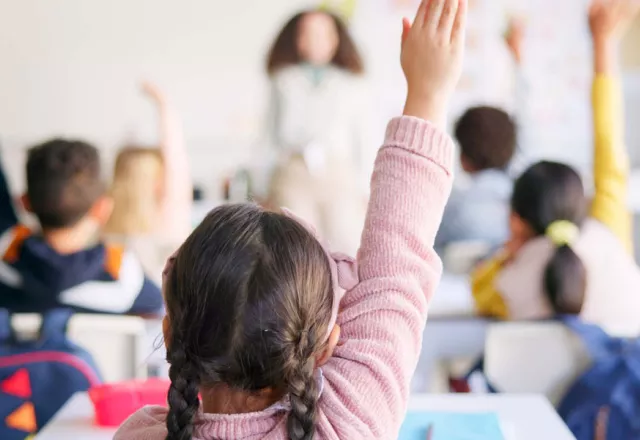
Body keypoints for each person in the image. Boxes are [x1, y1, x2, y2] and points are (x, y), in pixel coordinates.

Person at [114, 0, 465, 439]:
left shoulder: (137, 435)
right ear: (324, 345)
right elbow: (393, 277)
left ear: (171, 335)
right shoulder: (354, 422)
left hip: (334, 177)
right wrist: (427, 94)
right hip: (294, 174)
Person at [471, 0, 640, 337]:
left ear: (517, 222)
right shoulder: (608, 230)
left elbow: (478, 289)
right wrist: (603, 44)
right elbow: (609, 141)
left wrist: (510, 251)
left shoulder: (507, 285)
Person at [0, 139, 163, 315]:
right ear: (103, 208)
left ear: (24, 203)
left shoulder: (6, 270)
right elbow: (160, 309)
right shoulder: (126, 283)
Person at [261, 9, 372, 254]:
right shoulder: (282, 80)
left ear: (336, 40)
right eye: (306, 34)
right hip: (293, 173)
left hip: (338, 175)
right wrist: (260, 187)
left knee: (345, 243)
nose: (314, 40)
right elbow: (267, 136)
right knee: (294, 247)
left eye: (322, 34)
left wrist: (365, 189)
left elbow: (363, 139)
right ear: (296, 40)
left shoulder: (352, 84)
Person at [435, 19, 529, 255]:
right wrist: (518, 58)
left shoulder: (448, 210)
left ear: (464, 158)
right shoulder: (524, 208)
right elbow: (526, 116)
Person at [105, 82, 192, 285]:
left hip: (118, 313)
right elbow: (175, 158)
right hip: (161, 312)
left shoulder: (104, 222)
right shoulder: (168, 220)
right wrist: (164, 105)